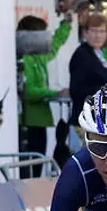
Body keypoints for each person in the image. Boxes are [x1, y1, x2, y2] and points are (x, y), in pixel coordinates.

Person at [17, 14, 74, 176]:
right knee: (29, 172)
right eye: (42, 34)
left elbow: (56, 43)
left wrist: (67, 23)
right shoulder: (23, 59)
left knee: (37, 167)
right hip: (27, 124)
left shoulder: (39, 55)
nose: (45, 39)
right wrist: (56, 92)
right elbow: (28, 91)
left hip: (39, 121)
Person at [65, 12, 107, 167]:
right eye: (93, 31)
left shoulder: (98, 54)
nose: (98, 35)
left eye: (102, 31)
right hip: (85, 122)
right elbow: (78, 90)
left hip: (98, 120)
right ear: (85, 32)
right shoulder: (82, 55)